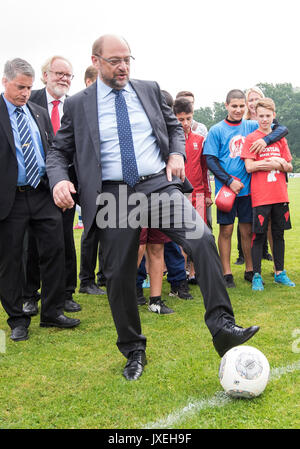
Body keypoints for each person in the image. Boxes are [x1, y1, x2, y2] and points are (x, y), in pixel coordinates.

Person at [46, 34, 259, 381]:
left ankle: (222, 327)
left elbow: (174, 128)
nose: (123, 66)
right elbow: (58, 151)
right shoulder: (79, 104)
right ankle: (133, 350)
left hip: (156, 184)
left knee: (201, 237)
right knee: (117, 273)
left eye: (128, 59)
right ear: (96, 61)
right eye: (115, 60)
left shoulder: (148, 89)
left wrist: (176, 153)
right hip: (115, 194)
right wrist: (58, 179)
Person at [0, 58, 80, 341]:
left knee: (55, 250)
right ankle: (17, 319)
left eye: (28, 87)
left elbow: (51, 150)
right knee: (11, 260)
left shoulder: (37, 112)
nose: (25, 93)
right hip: (10, 199)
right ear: (5, 82)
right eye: (20, 87)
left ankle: (52, 311)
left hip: (42, 193)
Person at [203, 89, 288, 288]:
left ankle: (250, 270)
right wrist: (227, 180)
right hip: (227, 190)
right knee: (226, 230)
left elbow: (281, 128)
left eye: (242, 106)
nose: (238, 110)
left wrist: (266, 139)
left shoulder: (251, 125)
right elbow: (210, 160)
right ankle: (226, 272)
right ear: (226, 106)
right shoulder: (217, 129)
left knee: (247, 230)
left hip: (249, 189)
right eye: (234, 106)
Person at [22, 56, 81, 315]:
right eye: (59, 73)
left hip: (68, 182)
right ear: (45, 75)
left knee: (65, 239)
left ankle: (65, 294)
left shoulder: (77, 105)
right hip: (35, 183)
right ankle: (29, 294)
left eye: (68, 75)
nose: (64, 79)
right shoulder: (28, 99)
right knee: (31, 242)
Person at [241, 98, 295, 291]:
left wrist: (280, 162)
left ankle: (280, 272)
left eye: (268, 116)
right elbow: (249, 167)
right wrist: (271, 163)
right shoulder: (251, 139)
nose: (264, 119)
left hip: (280, 194)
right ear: (255, 115)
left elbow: (289, 166)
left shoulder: (279, 138)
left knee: (278, 234)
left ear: (274, 116)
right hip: (261, 195)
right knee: (259, 235)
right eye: (261, 116)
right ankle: (256, 275)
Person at [173, 96, 212, 282]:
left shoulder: (200, 140)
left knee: (197, 233)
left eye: (188, 118)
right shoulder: (170, 142)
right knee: (179, 236)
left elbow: (204, 169)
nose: (185, 123)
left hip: (198, 193)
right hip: (177, 194)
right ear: (174, 118)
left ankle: (195, 273)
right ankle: (181, 273)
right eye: (181, 119)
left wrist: (207, 194)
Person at [235, 87, 273, 265]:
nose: (253, 103)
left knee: (265, 219)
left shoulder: (266, 122)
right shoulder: (243, 124)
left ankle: (264, 251)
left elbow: (280, 130)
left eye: (256, 99)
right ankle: (243, 254)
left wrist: (266, 139)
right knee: (244, 220)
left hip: (266, 179)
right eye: (250, 100)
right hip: (246, 177)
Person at [78, 65, 106, 295]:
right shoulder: (79, 109)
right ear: (88, 82)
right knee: (91, 232)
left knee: (108, 230)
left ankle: (103, 275)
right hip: (88, 182)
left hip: (109, 182)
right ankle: (86, 280)